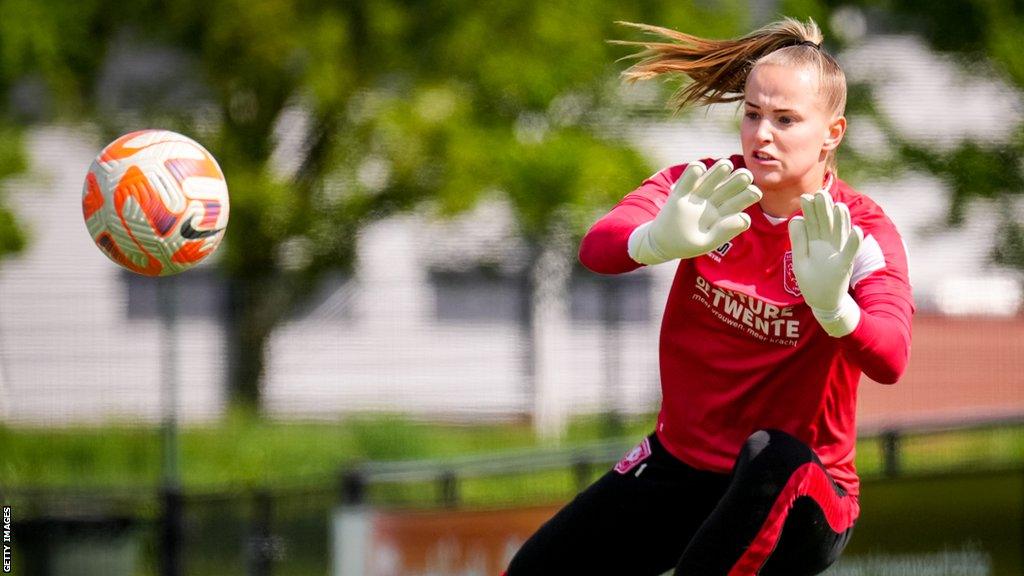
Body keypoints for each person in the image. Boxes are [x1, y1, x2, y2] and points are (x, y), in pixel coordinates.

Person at [504, 17, 914, 576]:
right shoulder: (705, 190)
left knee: (771, 453)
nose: (761, 133)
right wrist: (654, 240)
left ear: (833, 132)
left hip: (804, 493)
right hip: (685, 468)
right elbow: (597, 247)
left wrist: (836, 311)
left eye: (786, 119)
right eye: (752, 114)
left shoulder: (857, 231)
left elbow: (891, 358)